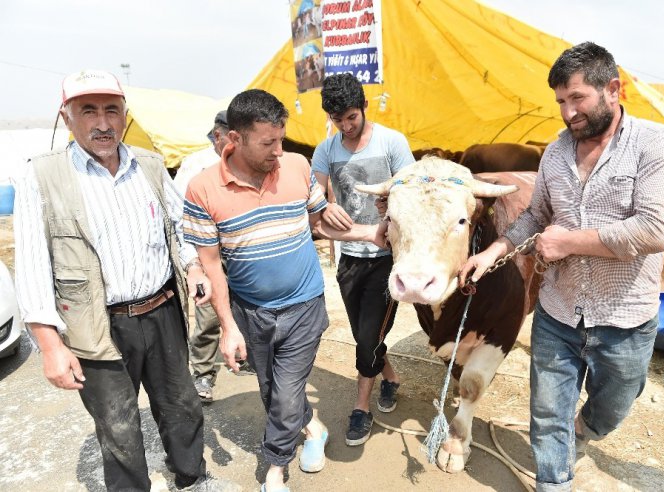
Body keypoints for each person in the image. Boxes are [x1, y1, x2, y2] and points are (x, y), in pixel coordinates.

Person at [460, 42, 664, 491]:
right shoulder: (555, 153)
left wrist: (568, 241)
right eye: (561, 102)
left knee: (614, 406)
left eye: (577, 98)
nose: (567, 113)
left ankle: (587, 428)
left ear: (613, 89)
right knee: (547, 413)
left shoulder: (655, 145)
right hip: (558, 312)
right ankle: (555, 480)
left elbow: (655, 231)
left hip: (625, 318)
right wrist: (491, 253)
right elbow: (534, 216)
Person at [14, 70, 237, 491]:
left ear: (125, 116)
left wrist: (191, 266)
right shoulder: (41, 176)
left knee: (183, 405)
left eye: (111, 110)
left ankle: (192, 479)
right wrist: (50, 347)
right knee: (118, 425)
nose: (102, 123)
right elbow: (31, 267)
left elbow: (178, 225)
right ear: (67, 118)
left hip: (162, 310)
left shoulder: (149, 165)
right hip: (97, 324)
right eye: (88, 111)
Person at [183, 89, 387, 492]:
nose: (279, 150)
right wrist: (228, 327)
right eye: (268, 143)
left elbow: (318, 223)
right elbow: (210, 266)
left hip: (303, 305)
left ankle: (275, 466)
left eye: (281, 139)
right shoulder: (202, 189)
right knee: (271, 388)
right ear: (234, 140)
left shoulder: (296, 166)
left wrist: (369, 233)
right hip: (250, 311)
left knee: (287, 387)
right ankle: (312, 429)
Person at [311, 73, 415, 446]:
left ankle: (361, 407)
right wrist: (323, 203)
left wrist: (392, 210)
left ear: (364, 107)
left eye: (351, 117)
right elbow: (313, 199)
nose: (345, 125)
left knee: (368, 335)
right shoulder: (326, 150)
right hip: (350, 258)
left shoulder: (392, 142)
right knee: (362, 335)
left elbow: (412, 190)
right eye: (338, 120)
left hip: (387, 260)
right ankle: (391, 377)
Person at [174, 110, 232, 403]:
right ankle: (203, 372)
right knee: (209, 315)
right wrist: (191, 262)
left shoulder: (241, 161)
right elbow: (178, 213)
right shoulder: (195, 165)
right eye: (232, 136)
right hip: (206, 253)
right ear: (218, 135)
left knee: (245, 310)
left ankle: (242, 353)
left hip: (239, 250)